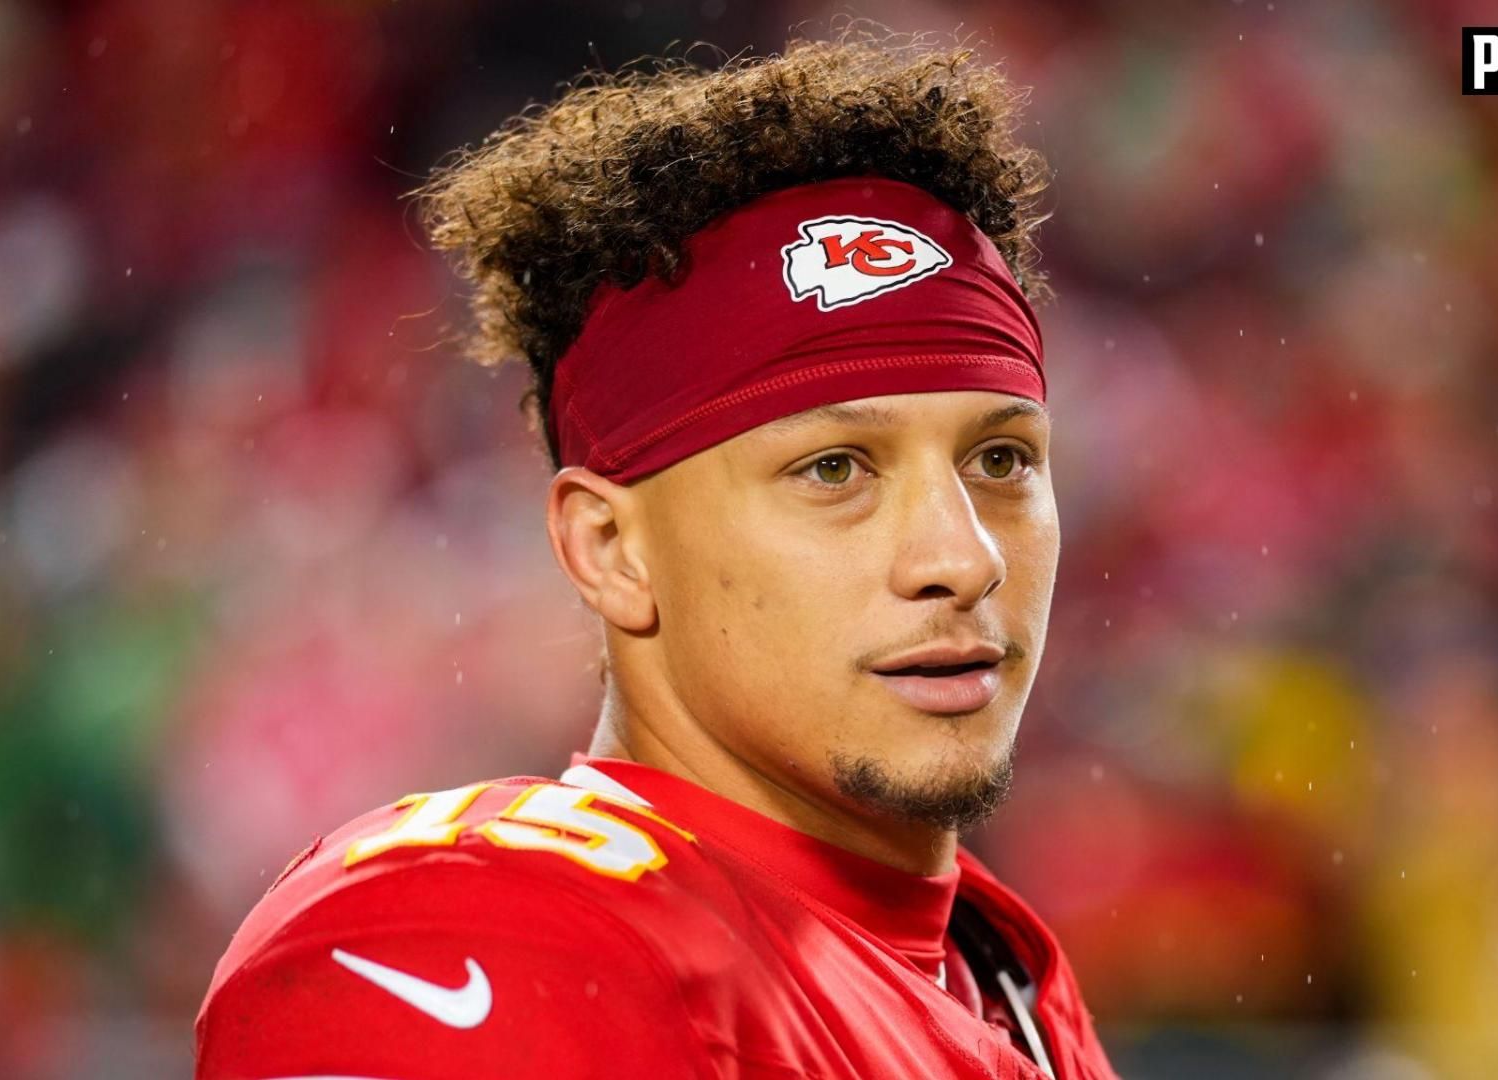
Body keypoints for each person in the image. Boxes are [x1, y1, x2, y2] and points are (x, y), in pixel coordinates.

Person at [195, 26, 1118, 1079]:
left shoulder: (1002, 977)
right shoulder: (493, 928)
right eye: (834, 470)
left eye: (1000, 458)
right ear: (610, 548)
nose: (962, 556)